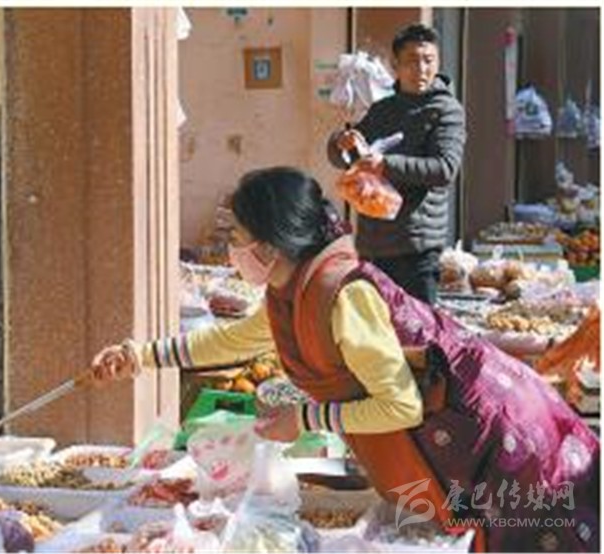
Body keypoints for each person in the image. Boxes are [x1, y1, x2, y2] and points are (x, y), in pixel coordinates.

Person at [91, 167, 599, 553]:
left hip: (496, 438)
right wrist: (140, 356)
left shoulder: (342, 296)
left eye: (238, 238)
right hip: (462, 436)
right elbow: (233, 341)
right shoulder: (293, 290)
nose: (232, 250)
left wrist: (305, 419)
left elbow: (400, 405)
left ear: (270, 245)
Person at [328, 23, 466, 305]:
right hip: (372, 244)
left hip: (416, 247)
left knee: (417, 329)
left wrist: (386, 165)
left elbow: (444, 168)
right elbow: (351, 157)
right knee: (372, 327)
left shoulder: (446, 110)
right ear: (396, 65)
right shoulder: (382, 109)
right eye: (412, 61)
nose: (421, 69)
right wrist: (340, 143)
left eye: (429, 60)